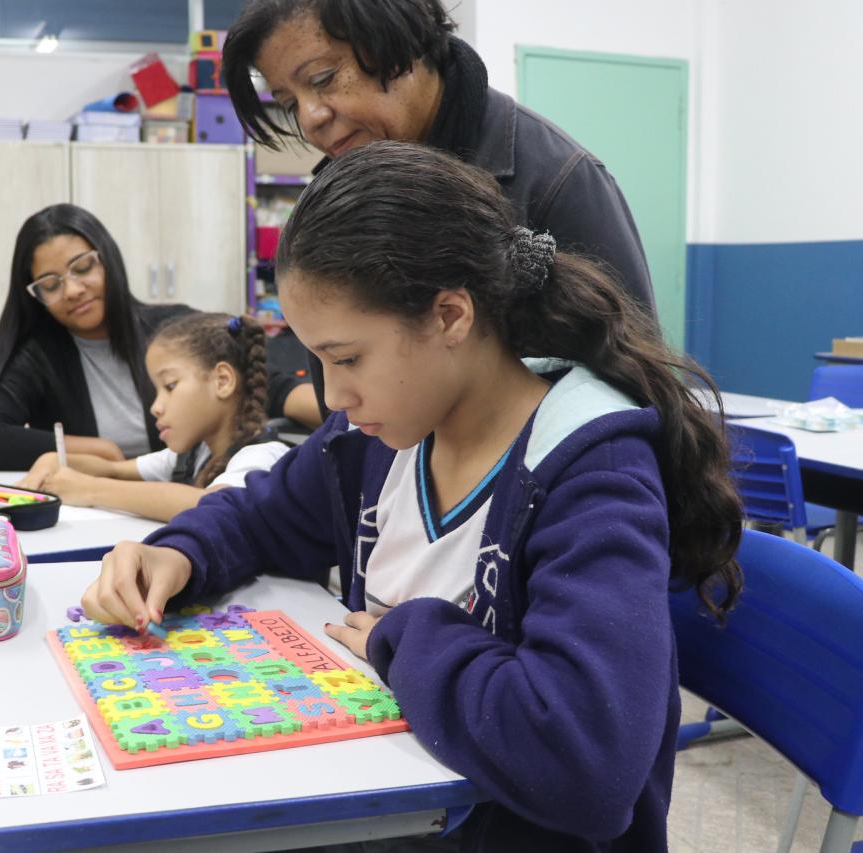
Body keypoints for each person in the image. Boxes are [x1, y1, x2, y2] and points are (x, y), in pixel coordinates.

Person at [81, 143, 743, 850]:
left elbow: (585, 761)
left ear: (451, 315)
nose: (332, 396)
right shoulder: (379, 433)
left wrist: (404, 638)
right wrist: (177, 555)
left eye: (347, 358)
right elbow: (260, 514)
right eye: (317, 361)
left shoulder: (589, 469)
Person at [223, 0, 657, 424]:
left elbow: (635, 390)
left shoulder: (559, 180)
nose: (311, 117)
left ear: (398, 35)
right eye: (288, 102)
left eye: (323, 77)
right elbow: (340, 417)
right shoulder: (332, 196)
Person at [0, 204, 193, 471]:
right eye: (50, 284)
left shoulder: (175, 330)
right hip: (89, 507)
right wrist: (95, 448)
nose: (72, 290)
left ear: (108, 259)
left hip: (185, 501)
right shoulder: (35, 355)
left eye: (83, 267)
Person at [17, 313, 289, 522]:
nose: (156, 408)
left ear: (222, 381)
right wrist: (54, 460)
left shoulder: (263, 457)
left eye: (169, 386)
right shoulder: (196, 453)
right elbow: (114, 469)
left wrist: (89, 490)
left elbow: (213, 507)